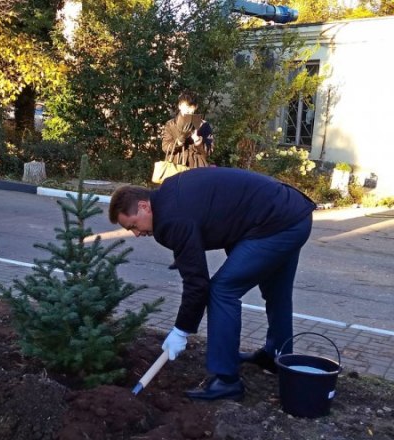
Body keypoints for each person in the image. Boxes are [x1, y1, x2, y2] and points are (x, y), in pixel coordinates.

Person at [108, 167, 315, 401]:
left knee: (222, 290)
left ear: (144, 206)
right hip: (291, 212)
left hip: (277, 224)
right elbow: (199, 225)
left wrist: (181, 330)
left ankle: (226, 381)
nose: (136, 234)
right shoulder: (169, 195)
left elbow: (197, 284)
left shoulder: (170, 218)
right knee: (276, 293)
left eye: (133, 225)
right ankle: (277, 357)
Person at [161, 91, 214, 169]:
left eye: (191, 106)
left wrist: (197, 140)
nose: (188, 109)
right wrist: (179, 141)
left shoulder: (204, 125)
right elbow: (165, 147)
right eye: (186, 105)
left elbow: (209, 151)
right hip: (176, 164)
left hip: (197, 166)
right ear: (179, 106)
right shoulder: (171, 124)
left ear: (196, 107)